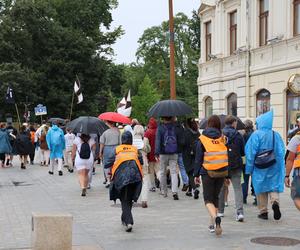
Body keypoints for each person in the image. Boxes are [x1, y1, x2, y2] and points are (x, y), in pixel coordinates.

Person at [245, 110, 285, 221]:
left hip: (259, 166)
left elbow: (250, 153)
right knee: (274, 186)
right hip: (274, 165)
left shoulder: (255, 135)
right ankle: (275, 202)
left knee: (260, 188)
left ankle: (263, 212)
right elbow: (281, 151)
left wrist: (249, 168)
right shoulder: (275, 134)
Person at [194, 115, 228, 236]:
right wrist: (227, 176)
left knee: (208, 199)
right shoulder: (223, 138)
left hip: (207, 171)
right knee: (216, 198)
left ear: (208, 124)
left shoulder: (202, 139)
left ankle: (216, 217)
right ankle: (212, 224)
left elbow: (198, 159)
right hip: (222, 171)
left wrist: (196, 174)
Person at [109, 131, 143, 232]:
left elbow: (109, 161)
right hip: (135, 176)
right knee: (129, 198)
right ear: (131, 140)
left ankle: (129, 222)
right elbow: (141, 161)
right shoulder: (135, 149)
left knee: (124, 198)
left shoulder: (117, 149)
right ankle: (125, 218)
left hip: (121, 176)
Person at [218, 116, 245, 222]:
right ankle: (239, 212)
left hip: (223, 164)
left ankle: (220, 211)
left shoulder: (220, 134)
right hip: (236, 164)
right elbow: (242, 151)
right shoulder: (238, 135)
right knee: (237, 188)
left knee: (221, 188)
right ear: (233, 123)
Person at [155, 116, 181, 200]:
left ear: (163, 118)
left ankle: (164, 191)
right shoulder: (176, 127)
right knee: (173, 172)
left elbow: (158, 141)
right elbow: (179, 140)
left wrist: (156, 153)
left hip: (163, 153)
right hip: (174, 152)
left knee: (162, 172)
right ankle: (174, 192)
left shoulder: (160, 128)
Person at [133, 125, 151, 208]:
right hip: (143, 162)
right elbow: (148, 150)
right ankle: (144, 200)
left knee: (133, 180)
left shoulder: (131, 139)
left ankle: (133, 198)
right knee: (145, 180)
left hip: (133, 162)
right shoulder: (145, 140)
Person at [182, 118, 200, 199]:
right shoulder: (198, 133)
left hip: (187, 154)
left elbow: (183, 143)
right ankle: (189, 191)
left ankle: (194, 189)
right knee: (192, 171)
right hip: (196, 154)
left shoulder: (186, 132)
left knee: (189, 173)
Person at [99, 121, 121, 187]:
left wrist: (100, 152)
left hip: (107, 148)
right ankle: (114, 178)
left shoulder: (105, 132)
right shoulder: (118, 132)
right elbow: (120, 142)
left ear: (109, 124)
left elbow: (102, 143)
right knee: (115, 164)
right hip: (116, 148)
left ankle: (108, 180)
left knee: (106, 164)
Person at [242, 119, 256, 205]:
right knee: (254, 178)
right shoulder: (255, 134)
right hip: (254, 158)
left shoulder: (242, 135)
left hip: (245, 159)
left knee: (245, 179)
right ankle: (256, 197)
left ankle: (243, 198)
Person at [285, 131, 300, 210]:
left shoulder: (296, 138)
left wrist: (287, 176)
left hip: (299, 173)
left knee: (297, 197)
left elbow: (290, 159)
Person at [174, 118, 189, 192]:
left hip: (173, 151)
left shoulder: (172, 128)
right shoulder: (182, 128)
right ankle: (186, 182)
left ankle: (174, 184)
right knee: (182, 168)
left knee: (173, 169)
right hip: (181, 150)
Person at [144, 118, 159, 192]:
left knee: (151, 171)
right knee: (159, 170)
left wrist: (145, 153)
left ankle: (153, 186)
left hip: (150, 154)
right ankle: (162, 184)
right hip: (158, 154)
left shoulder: (147, 132)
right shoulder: (159, 131)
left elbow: (145, 145)